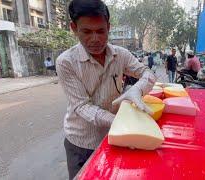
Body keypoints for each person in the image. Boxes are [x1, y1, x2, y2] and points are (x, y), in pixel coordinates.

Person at [56, 1, 155, 179]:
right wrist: (120, 120)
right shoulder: (66, 62)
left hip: (115, 136)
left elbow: (147, 73)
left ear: (108, 27)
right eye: (86, 32)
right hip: (81, 143)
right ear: (73, 28)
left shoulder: (121, 55)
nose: (95, 39)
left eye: (101, 31)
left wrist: (138, 89)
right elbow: (82, 106)